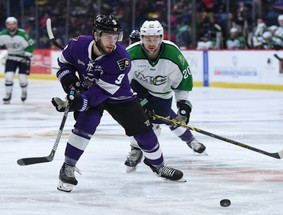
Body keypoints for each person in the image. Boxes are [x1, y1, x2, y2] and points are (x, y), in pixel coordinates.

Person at [51, 14, 185, 192]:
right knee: (86, 124)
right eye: (108, 37)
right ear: (96, 35)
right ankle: (68, 166)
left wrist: (78, 102)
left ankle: (158, 166)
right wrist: (68, 82)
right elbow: (64, 65)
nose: (113, 42)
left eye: (116, 37)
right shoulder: (77, 44)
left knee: (144, 131)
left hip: (118, 97)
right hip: (90, 92)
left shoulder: (121, 58)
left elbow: (102, 92)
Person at [124, 20, 206, 172]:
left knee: (157, 120)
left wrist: (183, 105)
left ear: (161, 37)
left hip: (162, 92)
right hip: (139, 87)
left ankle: (187, 140)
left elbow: (182, 82)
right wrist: (138, 99)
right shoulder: (130, 53)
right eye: (148, 39)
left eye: (155, 38)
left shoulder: (173, 54)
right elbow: (122, 82)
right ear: (141, 38)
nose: (151, 43)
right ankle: (136, 148)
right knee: (136, 119)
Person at [0, 17, 35, 104]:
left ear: (16, 24)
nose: (11, 26)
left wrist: (27, 54)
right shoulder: (2, 34)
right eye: (9, 24)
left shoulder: (22, 34)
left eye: (13, 24)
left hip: (23, 58)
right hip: (11, 58)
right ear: (6, 25)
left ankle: (24, 92)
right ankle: (8, 95)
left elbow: (31, 45)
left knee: (22, 79)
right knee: (8, 76)